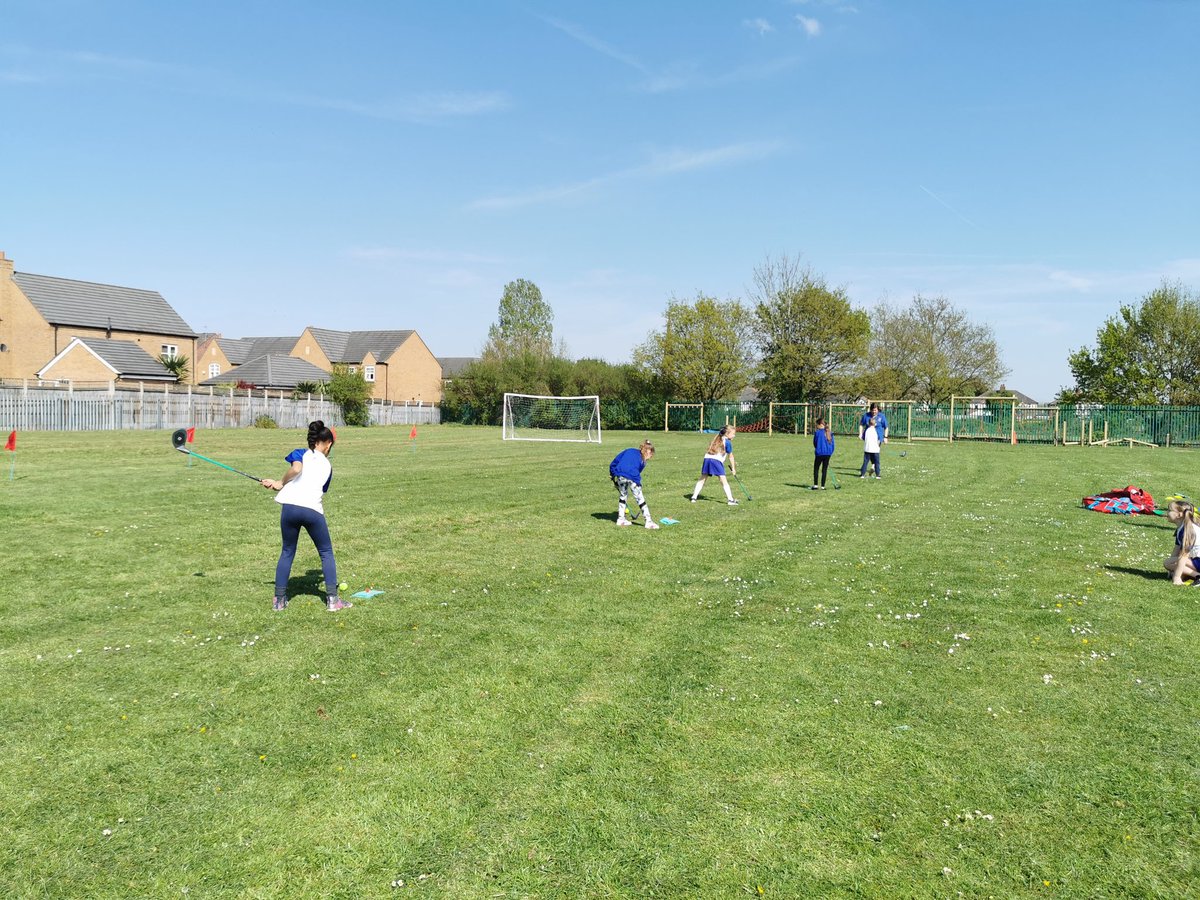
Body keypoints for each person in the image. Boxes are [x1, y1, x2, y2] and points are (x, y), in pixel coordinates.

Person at [261, 420, 350, 611]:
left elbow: (296, 468)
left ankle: (279, 601)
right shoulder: (328, 466)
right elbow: (299, 472)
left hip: (290, 508)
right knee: (325, 552)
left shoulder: (300, 453)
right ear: (327, 444)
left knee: (287, 551)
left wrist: (278, 483)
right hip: (311, 510)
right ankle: (333, 601)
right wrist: (279, 482)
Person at [609, 440, 660, 529]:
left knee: (623, 496)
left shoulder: (629, 450)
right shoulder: (643, 461)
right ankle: (648, 522)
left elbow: (614, 462)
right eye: (651, 455)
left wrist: (613, 474)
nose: (650, 457)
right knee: (640, 499)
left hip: (620, 475)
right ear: (648, 452)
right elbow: (634, 474)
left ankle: (621, 519)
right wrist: (638, 484)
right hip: (631, 477)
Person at [690, 425, 739, 505]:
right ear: (727, 434)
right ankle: (730, 500)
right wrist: (733, 468)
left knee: (702, 478)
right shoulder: (727, 442)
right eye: (733, 434)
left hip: (707, 459)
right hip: (716, 461)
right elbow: (731, 457)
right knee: (723, 481)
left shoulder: (716, 439)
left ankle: (694, 497)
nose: (734, 435)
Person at [1163, 497, 1200, 584]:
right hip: (1195, 560)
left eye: (1169, 510)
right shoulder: (1181, 528)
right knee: (1170, 564)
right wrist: (1171, 570)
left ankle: (1197, 575)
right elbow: (1177, 549)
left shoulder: (1188, 530)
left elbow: (1183, 556)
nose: (1167, 513)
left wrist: (1176, 577)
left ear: (1179, 515)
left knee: (1168, 563)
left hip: (1197, 561)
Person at [859, 402, 888, 477]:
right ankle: (873, 467)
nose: (874, 412)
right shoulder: (866, 415)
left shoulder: (882, 416)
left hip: (878, 438)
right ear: (870, 409)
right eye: (873, 410)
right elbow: (861, 425)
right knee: (870, 453)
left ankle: (873, 467)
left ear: (878, 410)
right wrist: (860, 433)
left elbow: (886, 427)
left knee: (874, 452)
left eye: (875, 410)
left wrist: (885, 437)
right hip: (868, 438)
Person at [812, 417, 834, 489]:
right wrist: (830, 453)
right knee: (824, 469)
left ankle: (815, 485)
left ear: (820, 424)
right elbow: (832, 444)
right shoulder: (830, 432)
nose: (816, 427)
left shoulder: (817, 433)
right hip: (827, 454)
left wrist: (817, 448)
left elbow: (815, 443)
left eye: (817, 425)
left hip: (819, 453)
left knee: (816, 468)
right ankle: (823, 486)